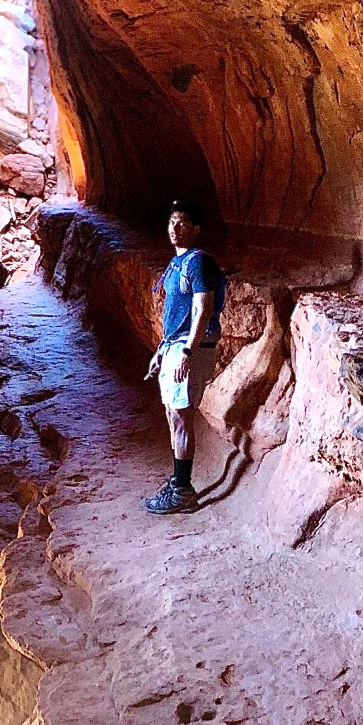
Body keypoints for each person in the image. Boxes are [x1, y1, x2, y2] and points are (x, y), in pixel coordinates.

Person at [143, 200, 226, 514]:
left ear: (196, 229)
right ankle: (178, 482)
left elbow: (203, 309)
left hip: (191, 348)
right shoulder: (178, 262)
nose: (174, 229)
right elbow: (176, 313)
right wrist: (163, 350)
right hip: (175, 346)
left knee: (181, 418)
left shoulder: (198, 263)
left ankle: (183, 491)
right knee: (173, 415)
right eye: (171, 222)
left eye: (182, 223)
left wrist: (187, 352)